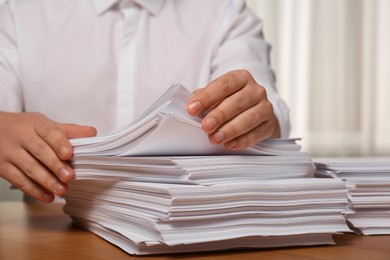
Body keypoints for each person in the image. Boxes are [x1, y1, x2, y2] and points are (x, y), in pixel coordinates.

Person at [0, 0, 290, 203]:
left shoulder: (226, 14)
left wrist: (262, 116)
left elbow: (263, 103)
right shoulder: (18, 16)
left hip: (190, 237)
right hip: (49, 237)